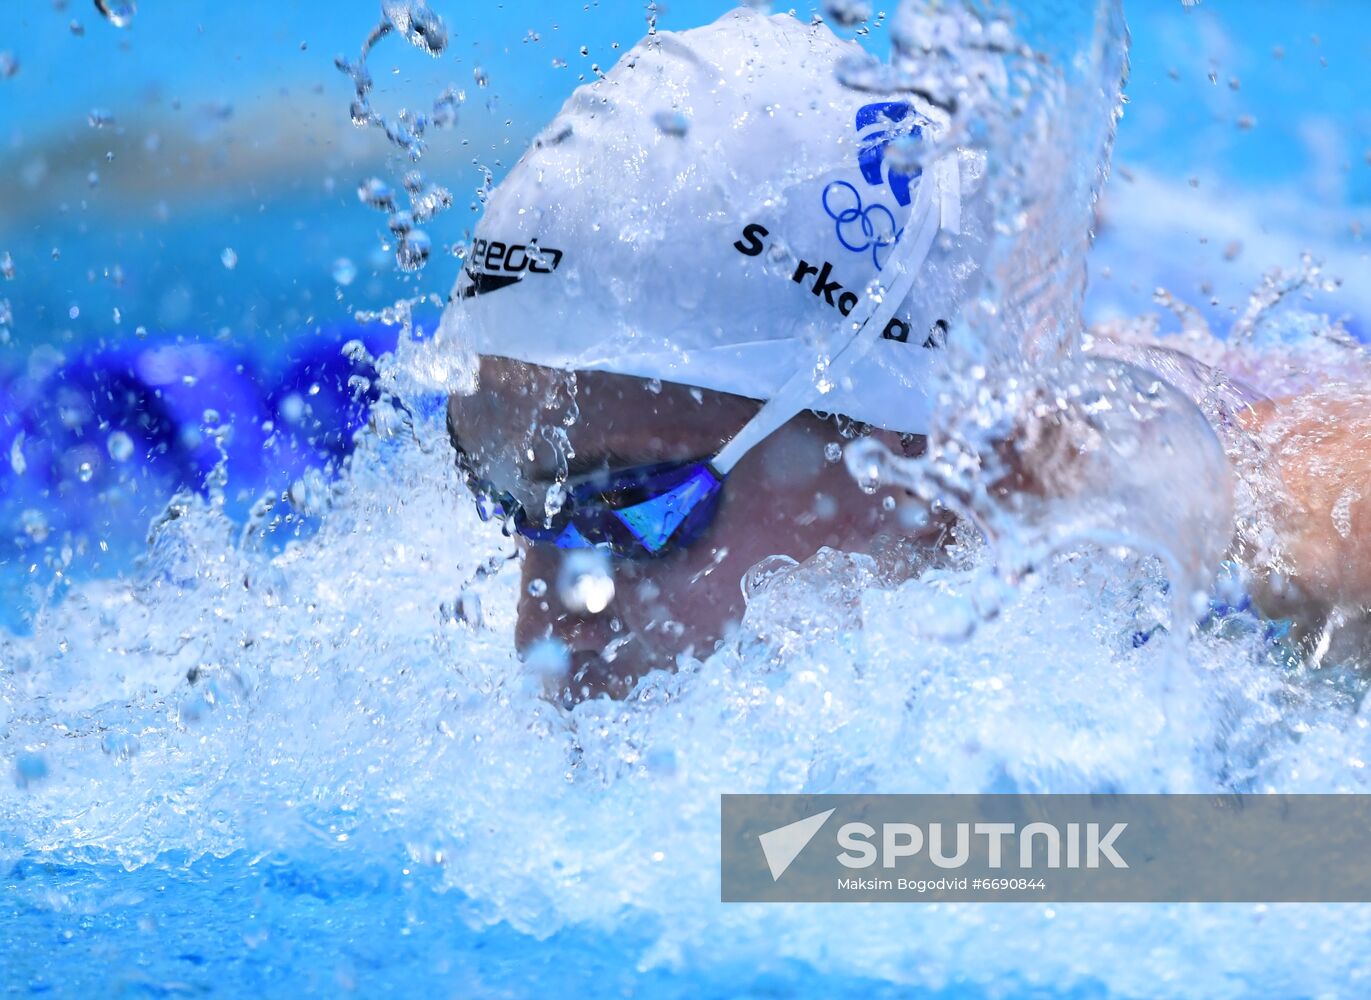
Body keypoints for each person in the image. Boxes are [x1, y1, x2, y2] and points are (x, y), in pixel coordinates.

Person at [442, 8, 1370, 702]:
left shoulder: (1279, 543)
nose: (543, 626)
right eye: (506, 501)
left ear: (927, 468)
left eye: (635, 515)